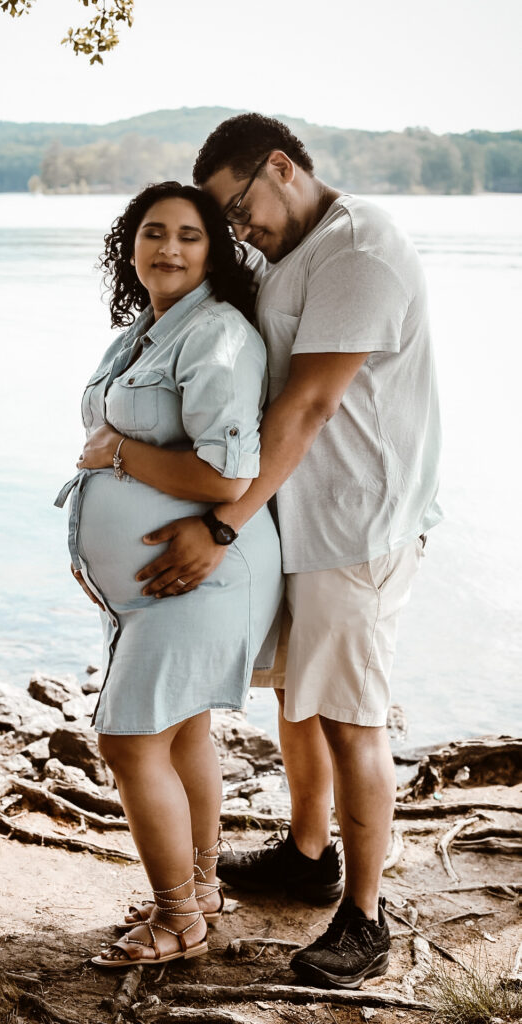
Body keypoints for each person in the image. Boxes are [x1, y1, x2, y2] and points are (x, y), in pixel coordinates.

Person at [134, 115, 443, 989]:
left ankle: (365, 919)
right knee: (297, 705)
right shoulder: (292, 249)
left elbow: (306, 407)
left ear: (281, 165)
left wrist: (223, 523)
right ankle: (308, 857)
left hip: (358, 525)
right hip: (299, 520)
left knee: (351, 718)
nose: (240, 228)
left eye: (239, 207)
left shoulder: (358, 253)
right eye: (227, 220)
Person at [55, 181, 283, 968]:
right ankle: (202, 888)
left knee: (126, 741)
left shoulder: (217, 334)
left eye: (189, 235)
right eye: (153, 232)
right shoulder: (141, 333)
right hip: (151, 589)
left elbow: (226, 476)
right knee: (180, 728)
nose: (169, 249)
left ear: (213, 252)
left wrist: (116, 457)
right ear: (130, 246)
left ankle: (176, 919)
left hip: (207, 571)